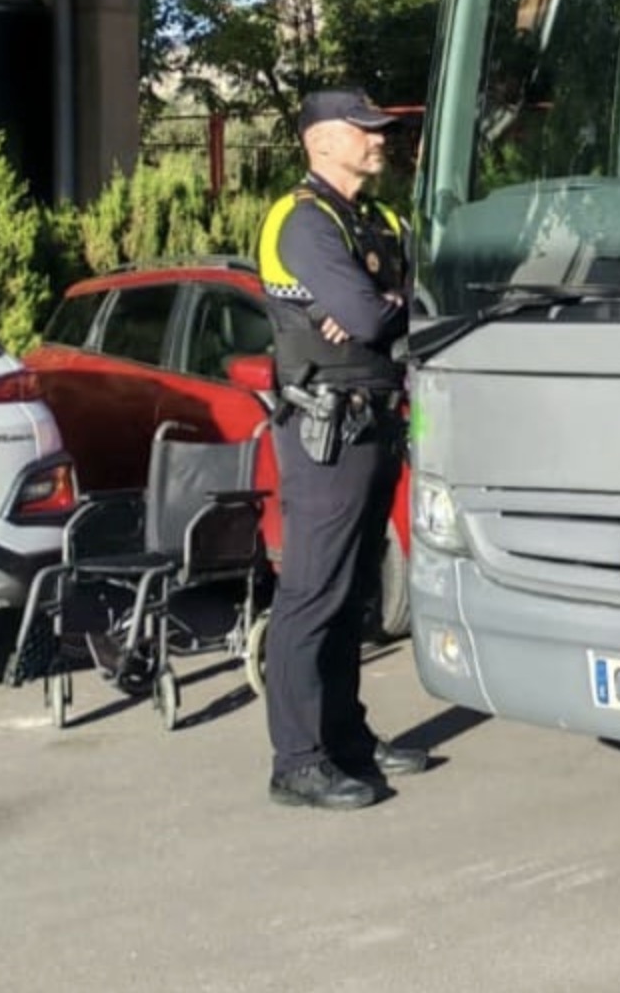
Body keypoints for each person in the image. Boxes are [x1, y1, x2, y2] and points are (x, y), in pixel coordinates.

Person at [256, 87, 428, 810]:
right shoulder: (301, 220)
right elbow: (366, 315)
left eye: (379, 129)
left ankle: (346, 739)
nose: (378, 138)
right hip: (327, 431)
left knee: (353, 592)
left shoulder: (379, 218)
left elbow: (423, 299)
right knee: (312, 594)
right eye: (363, 129)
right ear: (321, 141)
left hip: (377, 424)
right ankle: (296, 762)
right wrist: (377, 305)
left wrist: (387, 303)